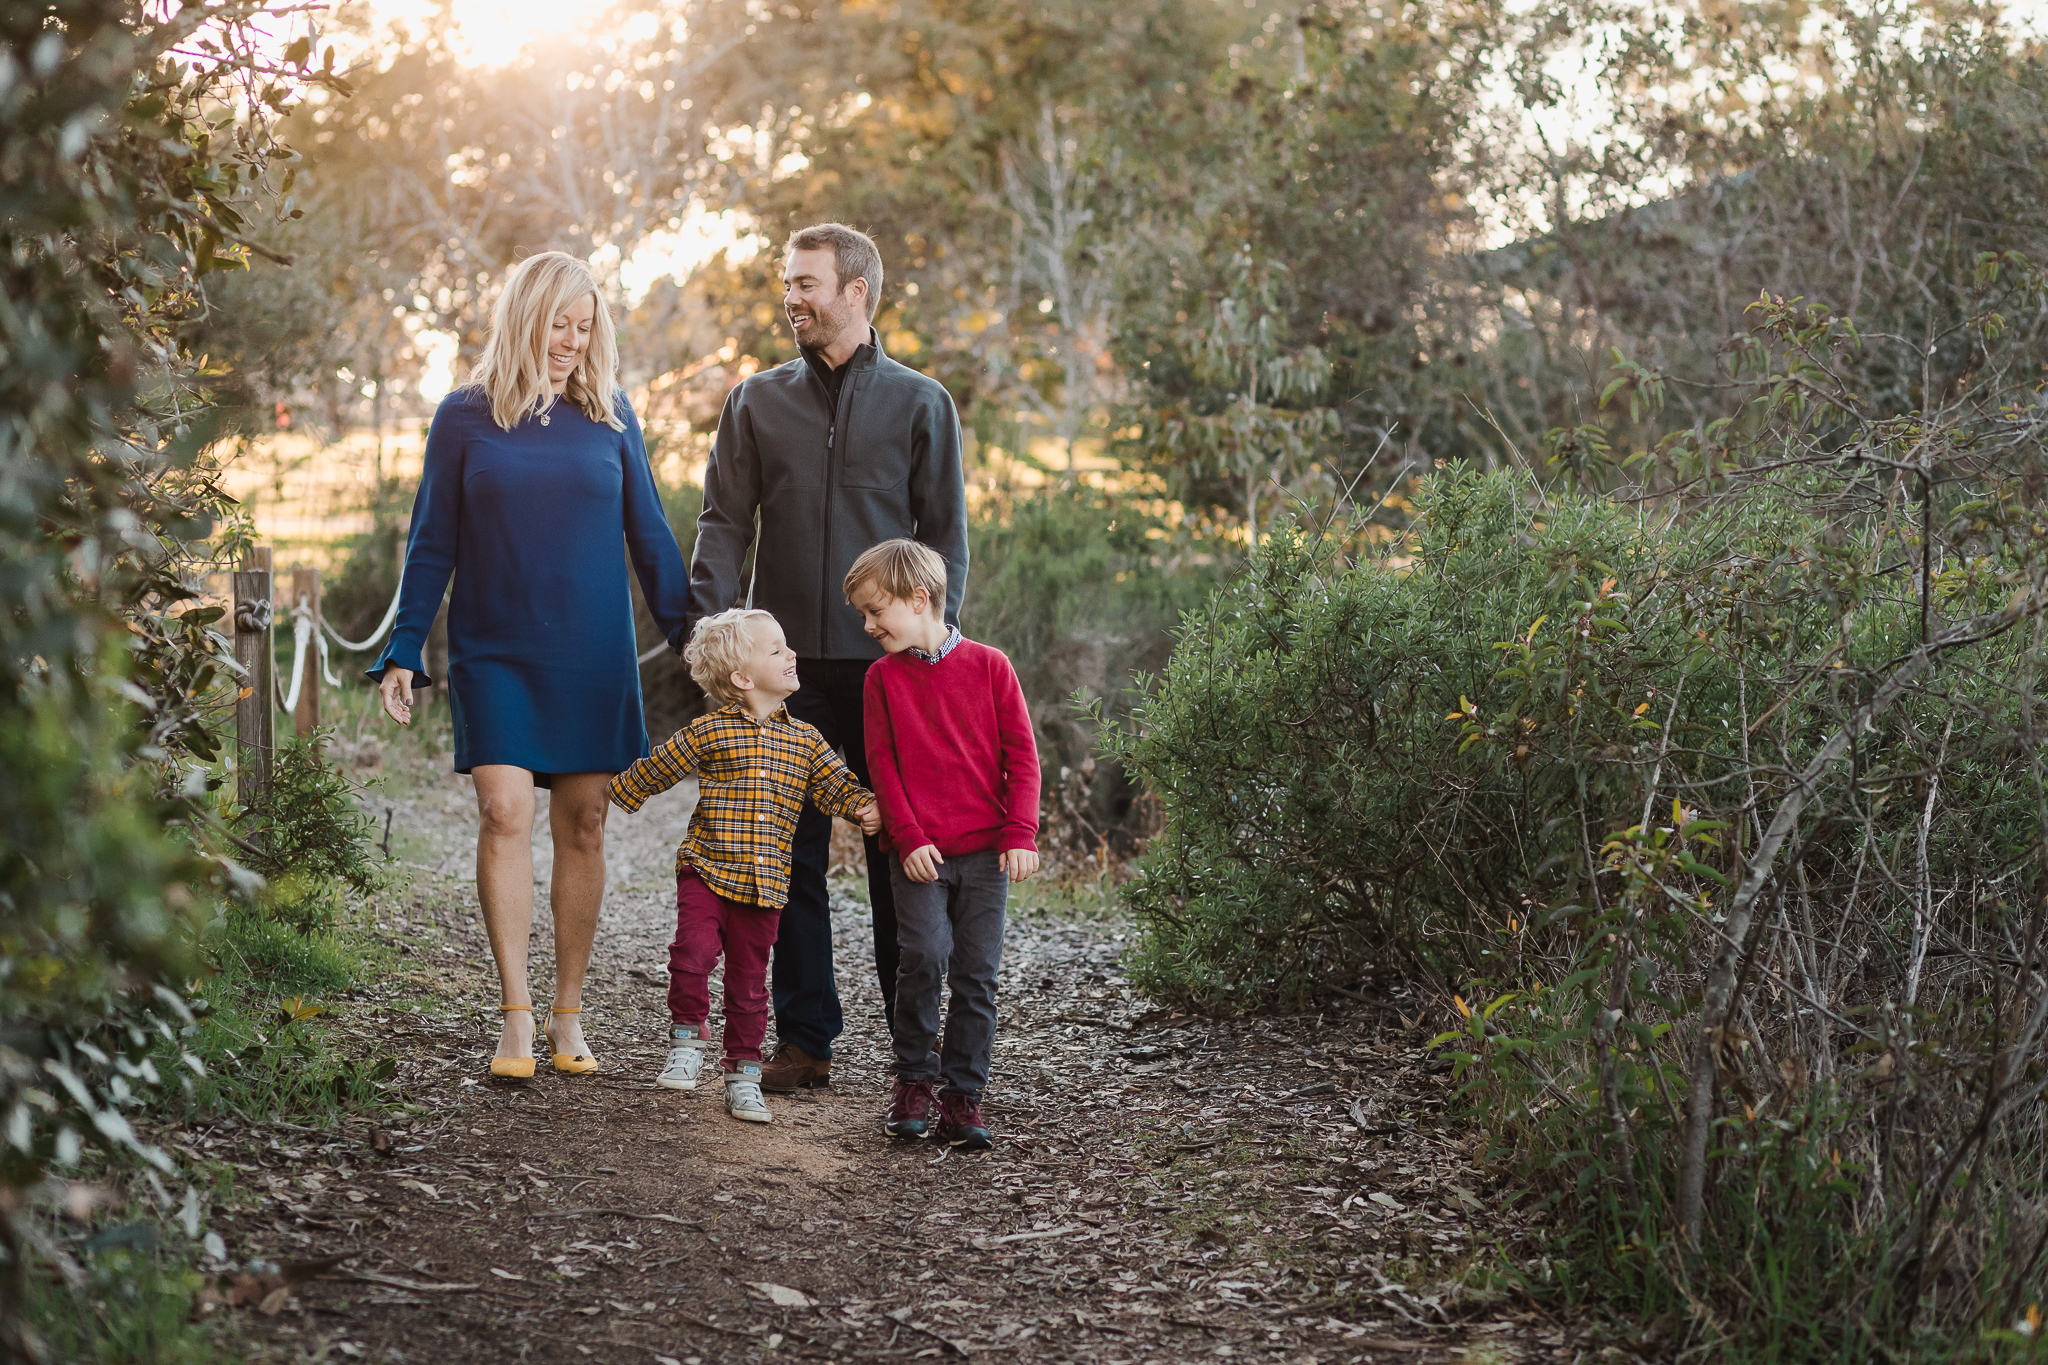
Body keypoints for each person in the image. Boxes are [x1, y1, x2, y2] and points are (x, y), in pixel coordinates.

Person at [371, 251, 691, 1080]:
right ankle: (515, 1012)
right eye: (559, 324)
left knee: (585, 822)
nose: (572, 342)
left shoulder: (613, 413)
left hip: (591, 651)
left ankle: (567, 1011)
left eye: (584, 328)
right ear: (524, 318)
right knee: (504, 809)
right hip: (496, 647)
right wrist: (404, 646)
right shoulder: (463, 416)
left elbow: (650, 536)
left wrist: (696, 639)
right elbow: (432, 539)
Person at [689, 222, 968, 1092]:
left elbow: (945, 545)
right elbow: (723, 525)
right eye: (787, 282)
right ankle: (806, 1038)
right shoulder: (755, 401)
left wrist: (933, 656)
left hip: (891, 673)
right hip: (781, 676)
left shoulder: (923, 404)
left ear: (857, 292)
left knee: (899, 850)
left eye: (806, 282)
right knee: (786, 854)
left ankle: (913, 1049)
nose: (791, 297)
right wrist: (717, 637)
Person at [607, 609, 881, 1123]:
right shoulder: (709, 732)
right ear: (742, 678)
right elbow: (660, 766)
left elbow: (836, 784)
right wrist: (614, 792)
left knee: (749, 986)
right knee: (692, 953)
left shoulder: (806, 740)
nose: (791, 653)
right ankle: (687, 1042)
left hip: (764, 885)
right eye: (776, 650)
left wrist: (868, 807)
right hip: (707, 870)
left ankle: (743, 1075)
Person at [847, 540, 1040, 1150]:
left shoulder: (990, 666)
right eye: (864, 615)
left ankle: (963, 1097)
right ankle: (913, 1082)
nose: (869, 625)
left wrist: (1020, 832)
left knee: (977, 976)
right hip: (919, 854)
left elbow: (1023, 759)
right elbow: (882, 767)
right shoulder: (880, 680)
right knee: (924, 958)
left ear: (919, 598)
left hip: (985, 855)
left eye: (877, 611)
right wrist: (906, 838)